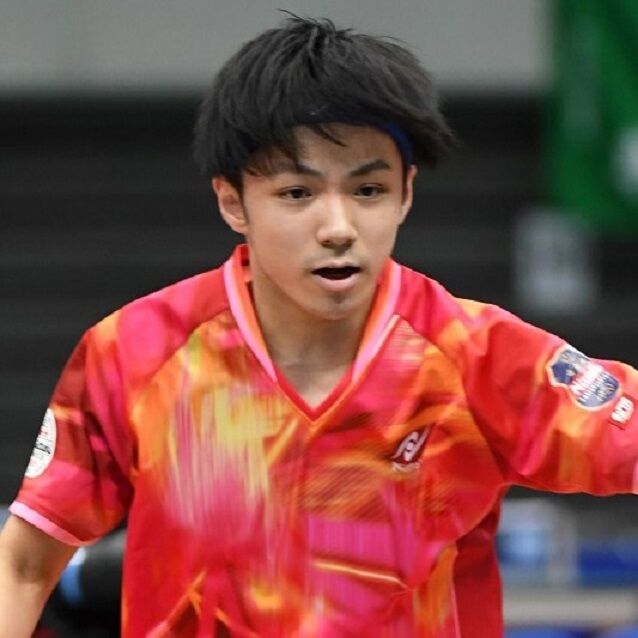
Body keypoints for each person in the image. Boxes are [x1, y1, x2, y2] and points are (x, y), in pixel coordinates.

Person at [0, 14, 636, 638]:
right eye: (297, 194)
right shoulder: (135, 353)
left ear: (406, 194)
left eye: (368, 191)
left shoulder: (477, 357)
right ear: (232, 201)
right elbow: (24, 565)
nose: (338, 228)